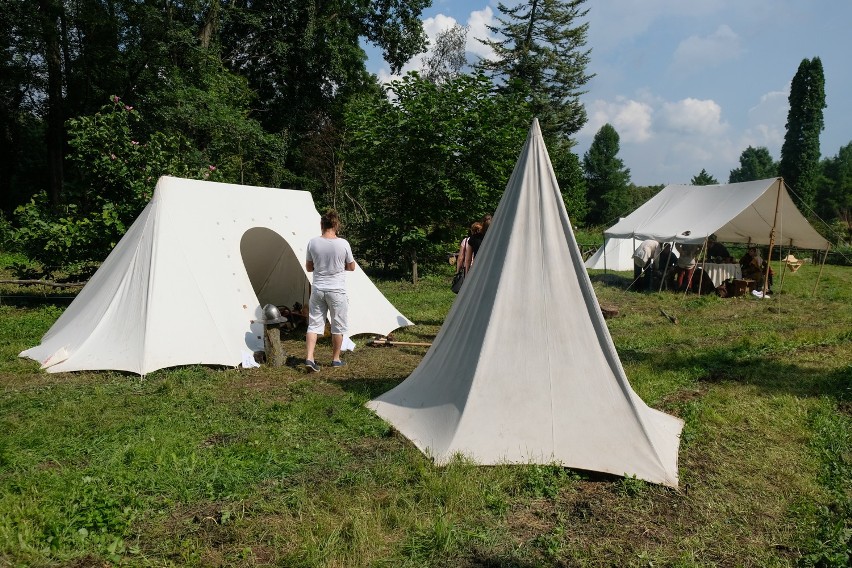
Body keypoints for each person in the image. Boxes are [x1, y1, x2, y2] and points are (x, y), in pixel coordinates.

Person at [304, 210, 356, 372]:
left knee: (314, 325)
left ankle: (310, 358)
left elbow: (309, 267)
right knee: (338, 326)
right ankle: (335, 359)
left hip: (319, 288)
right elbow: (352, 266)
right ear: (336, 225)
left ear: (322, 225)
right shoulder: (343, 243)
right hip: (337, 290)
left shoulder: (313, 243)